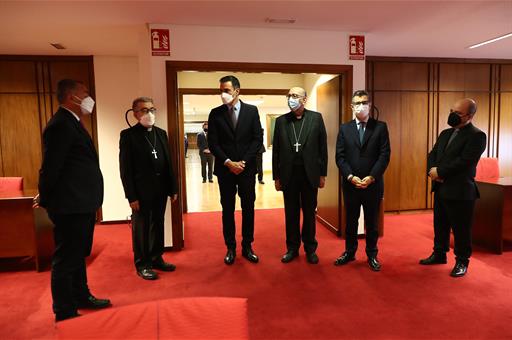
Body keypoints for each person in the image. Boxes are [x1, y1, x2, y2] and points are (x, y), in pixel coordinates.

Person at [35, 79, 110, 322]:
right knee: (67, 257)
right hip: (70, 204)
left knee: (78, 254)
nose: (89, 97)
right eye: (85, 92)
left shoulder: (73, 122)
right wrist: (45, 198)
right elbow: (51, 167)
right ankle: (64, 310)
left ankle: (81, 296)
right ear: (71, 97)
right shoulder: (60, 126)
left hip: (81, 202)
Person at [420, 98, 486, 277]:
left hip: (461, 191)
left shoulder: (477, 136)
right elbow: (432, 154)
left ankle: (462, 261)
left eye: (457, 113)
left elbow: (465, 162)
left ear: (469, 116)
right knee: (440, 224)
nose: (452, 115)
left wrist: (440, 172)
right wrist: (431, 171)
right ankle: (439, 254)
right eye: (452, 110)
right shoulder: (445, 133)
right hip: (441, 189)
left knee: (461, 229)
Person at [119, 97, 178, 280]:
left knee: (158, 224)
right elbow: (125, 170)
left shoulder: (161, 133)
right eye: (144, 110)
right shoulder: (128, 136)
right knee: (141, 228)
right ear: (135, 113)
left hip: (161, 189)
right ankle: (142, 264)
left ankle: (156, 257)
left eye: (152, 109)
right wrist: (131, 196)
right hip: (141, 192)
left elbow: (168, 163)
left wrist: (173, 188)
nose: (149, 114)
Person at [208, 75, 263, 265]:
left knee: (249, 208)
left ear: (237, 91)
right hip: (225, 171)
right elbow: (213, 143)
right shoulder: (215, 113)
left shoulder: (252, 111)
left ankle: (247, 246)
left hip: (247, 170)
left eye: (226, 90)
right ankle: (230, 247)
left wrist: (243, 162)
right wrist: (229, 162)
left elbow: (257, 140)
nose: (223, 94)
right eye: (221, 90)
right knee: (228, 209)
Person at [334, 90, 390, 272]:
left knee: (372, 222)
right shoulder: (344, 128)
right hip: (351, 184)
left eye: (364, 102)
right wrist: (350, 177)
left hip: (372, 184)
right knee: (350, 221)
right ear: (351, 106)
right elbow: (340, 157)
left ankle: (372, 254)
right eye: (357, 103)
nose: (361, 106)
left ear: (369, 104)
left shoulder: (380, 127)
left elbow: (384, 155)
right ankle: (349, 252)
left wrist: (371, 177)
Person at [272, 87, 327, 264]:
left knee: (310, 213)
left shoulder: (316, 118)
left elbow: (322, 148)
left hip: (309, 174)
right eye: (289, 96)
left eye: (295, 96)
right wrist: (276, 177)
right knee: (291, 213)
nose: (290, 99)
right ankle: (292, 248)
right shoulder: (281, 121)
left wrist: (322, 174)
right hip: (289, 175)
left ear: (304, 99)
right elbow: (277, 152)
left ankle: (310, 248)